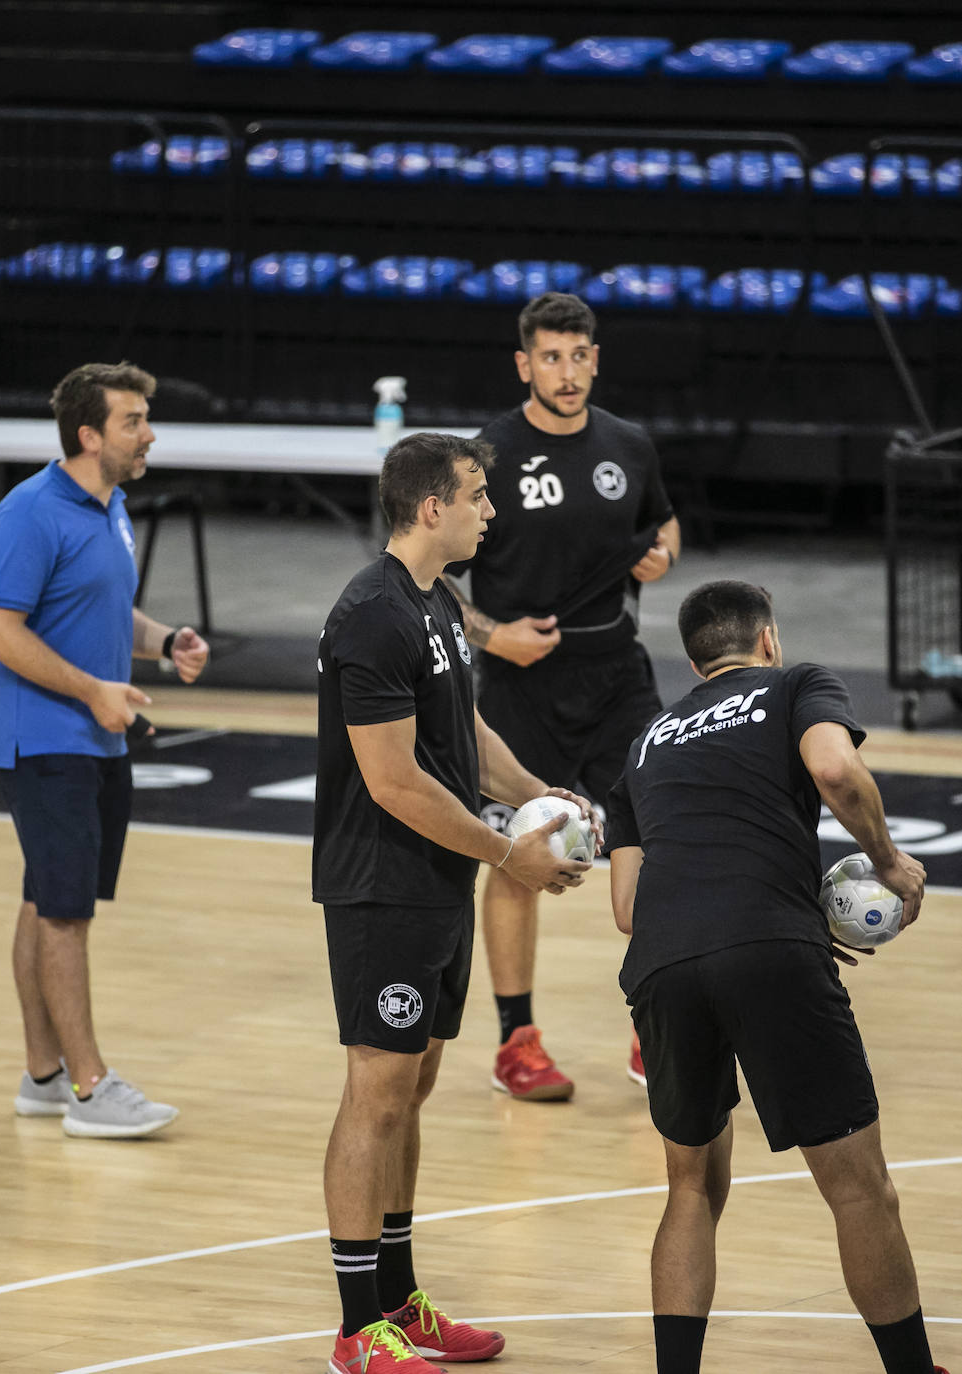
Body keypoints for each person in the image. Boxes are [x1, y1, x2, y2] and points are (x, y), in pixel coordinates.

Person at [607, 580, 949, 1374]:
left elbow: (625, 906)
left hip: (659, 962)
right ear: (766, 641)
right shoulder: (795, 683)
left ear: (694, 662)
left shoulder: (645, 743)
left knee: (690, 1187)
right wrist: (891, 863)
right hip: (768, 950)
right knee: (859, 1188)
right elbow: (834, 769)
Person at [313, 431, 599, 1373]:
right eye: (477, 495)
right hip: (380, 888)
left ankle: (402, 1302)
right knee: (377, 1092)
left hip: (437, 882)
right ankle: (360, 1331)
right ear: (430, 507)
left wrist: (539, 795)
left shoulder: (436, 602)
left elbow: (463, 734)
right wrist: (507, 856)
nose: (489, 510)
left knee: (416, 1088)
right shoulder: (371, 618)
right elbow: (393, 782)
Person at [445, 290, 680, 1100]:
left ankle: (654, 1028)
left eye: (579, 356)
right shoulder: (485, 457)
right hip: (519, 686)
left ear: (595, 359)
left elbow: (663, 527)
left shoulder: (629, 445)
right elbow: (434, 581)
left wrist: (661, 556)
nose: (568, 372)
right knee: (518, 856)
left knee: (657, 845)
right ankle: (517, 1042)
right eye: (551, 356)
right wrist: (491, 636)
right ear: (524, 364)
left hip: (617, 676)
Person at [0, 361, 210, 1139]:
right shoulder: (30, 513)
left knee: (45, 901)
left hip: (91, 737)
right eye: (132, 421)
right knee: (65, 915)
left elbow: (105, 606)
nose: (148, 434)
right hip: (46, 742)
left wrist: (163, 640)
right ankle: (89, 1087)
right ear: (89, 434)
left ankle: (43, 1077)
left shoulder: (107, 506)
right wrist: (91, 692)